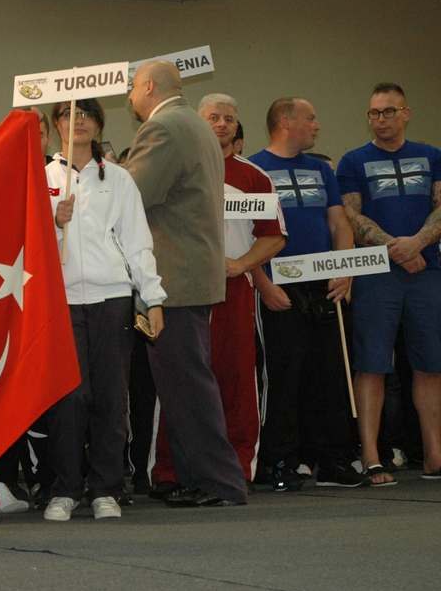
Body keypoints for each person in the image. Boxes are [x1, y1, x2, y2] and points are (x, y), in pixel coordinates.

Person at [123, 60, 247, 507]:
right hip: (188, 273)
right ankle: (204, 478)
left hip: (172, 278)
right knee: (185, 384)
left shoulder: (165, 129)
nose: (130, 97)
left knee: (187, 386)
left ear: (150, 86)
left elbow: (131, 196)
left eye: (134, 88)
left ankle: (218, 482)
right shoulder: (191, 124)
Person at [149, 94, 286, 489]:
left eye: (228, 118)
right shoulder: (175, 169)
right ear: (197, 120)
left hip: (235, 294)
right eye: (213, 117)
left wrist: (241, 264)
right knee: (179, 381)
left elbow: (274, 236)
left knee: (237, 380)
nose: (221, 124)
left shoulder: (255, 177)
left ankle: (236, 469)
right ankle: (170, 472)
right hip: (181, 292)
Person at [44, 98, 165, 522]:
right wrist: (52, 220)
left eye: (87, 117)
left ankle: (106, 488)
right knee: (70, 398)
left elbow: (137, 241)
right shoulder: (40, 178)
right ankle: (65, 489)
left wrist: (151, 297)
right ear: (55, 124)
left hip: (111, 298)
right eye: (68, 116)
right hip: (59, 300)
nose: (78, 123)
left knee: (111, 397)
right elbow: (21, 242)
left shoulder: (117, 178)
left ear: (97, 125)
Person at [249, 97, 364, 490]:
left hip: (325, 282)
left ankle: (332, 459)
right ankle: (280, 459)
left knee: (330, 371)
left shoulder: (320, 169)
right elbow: (246, 234)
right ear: (285, 121)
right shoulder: (254, 169)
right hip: (279, 283)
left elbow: (339, 222)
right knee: (284, 373)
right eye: (310, 118)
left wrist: (345, 269)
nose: (317, 125)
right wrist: (264, 285)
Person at [337, 82, 441, 486]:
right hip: (376, 276)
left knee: (431, 365)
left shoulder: (431, 156)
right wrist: (396, 247)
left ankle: (434, 454)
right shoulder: (353, 161)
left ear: (406, 113)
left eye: (389, 112)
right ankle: (372, 456)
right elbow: (351, 218)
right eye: (374, 113)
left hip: (426, 272)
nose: (381, 120)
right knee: (372, 365)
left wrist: (418, 242)